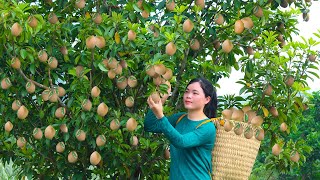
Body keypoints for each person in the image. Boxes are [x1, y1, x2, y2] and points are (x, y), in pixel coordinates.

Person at [144, 77, 218, 179]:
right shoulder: (180, 118)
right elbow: (150, 125)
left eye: (195, 93)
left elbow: (181, 142)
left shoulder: (207, 127)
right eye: (187, 92)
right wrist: (161, 99)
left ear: (207, 99)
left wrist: (161, 116)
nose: (188, 96)